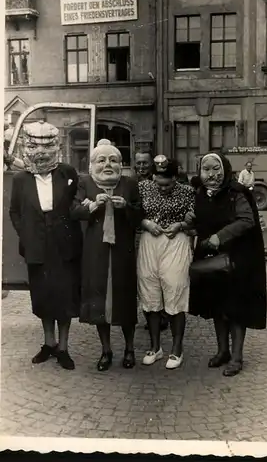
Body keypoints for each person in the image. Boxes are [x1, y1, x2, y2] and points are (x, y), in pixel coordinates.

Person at [9, 121, 83, 370]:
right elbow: (15, 212)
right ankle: (48, 343)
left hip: (63, 245)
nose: (41, 151)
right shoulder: (21, 179)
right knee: (43, 295)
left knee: (64, 295)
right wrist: (27, 236)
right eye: (35, 145)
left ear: (55, 146)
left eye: (46, 145)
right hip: (37, 246)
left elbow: (75, 205)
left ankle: (63, 347)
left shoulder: (67, 172)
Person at [187, 153, 267, 377]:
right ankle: (222, 351)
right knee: (217, 307)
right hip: (212, 261)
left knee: (235, 309)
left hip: (236, 259)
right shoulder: (201, 193)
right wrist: (191, 220)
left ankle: (236, 357)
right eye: (206, 169)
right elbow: (202, 220)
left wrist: (219, 237)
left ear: (226, 169)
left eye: (216, 169)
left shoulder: (236, 193)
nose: (211, 174)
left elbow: (246, 220)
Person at [71, 140, 143, 372]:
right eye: (101, 160)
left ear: (121, 164)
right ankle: (106, 350)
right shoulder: (85, 183)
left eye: (113, 160)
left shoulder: (130, 184)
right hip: (96, 251)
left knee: (125, 298)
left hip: (123, 251)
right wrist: (92, 206)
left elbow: (140, 214)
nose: (107, 165)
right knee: (99, 300)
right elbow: (73, 212)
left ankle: (130, 349)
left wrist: (126, 208)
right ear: (92, 164)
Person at [138, 156, 195, 369]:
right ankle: (155, 347)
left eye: (168, 184)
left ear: (176, 178)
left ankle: (177, 349)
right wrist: (145, 222)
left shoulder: (187, 192)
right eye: (158, 183)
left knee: (175, 289)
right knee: (149, 291)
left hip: (175, 242)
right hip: (149, 241)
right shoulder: (143, 188)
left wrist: (181, 224)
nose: (162, 188)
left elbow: (197, 219)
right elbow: (133, 212)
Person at [133, 151, 170, 332]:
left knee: (160, 274)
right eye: (138, 163)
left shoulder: (159, 181)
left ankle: (162, 315)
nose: (141, 167)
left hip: (159, 234)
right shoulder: (132, 183)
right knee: (145, 276)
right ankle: (150, 313)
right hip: (139, 234)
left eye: (145, 164)